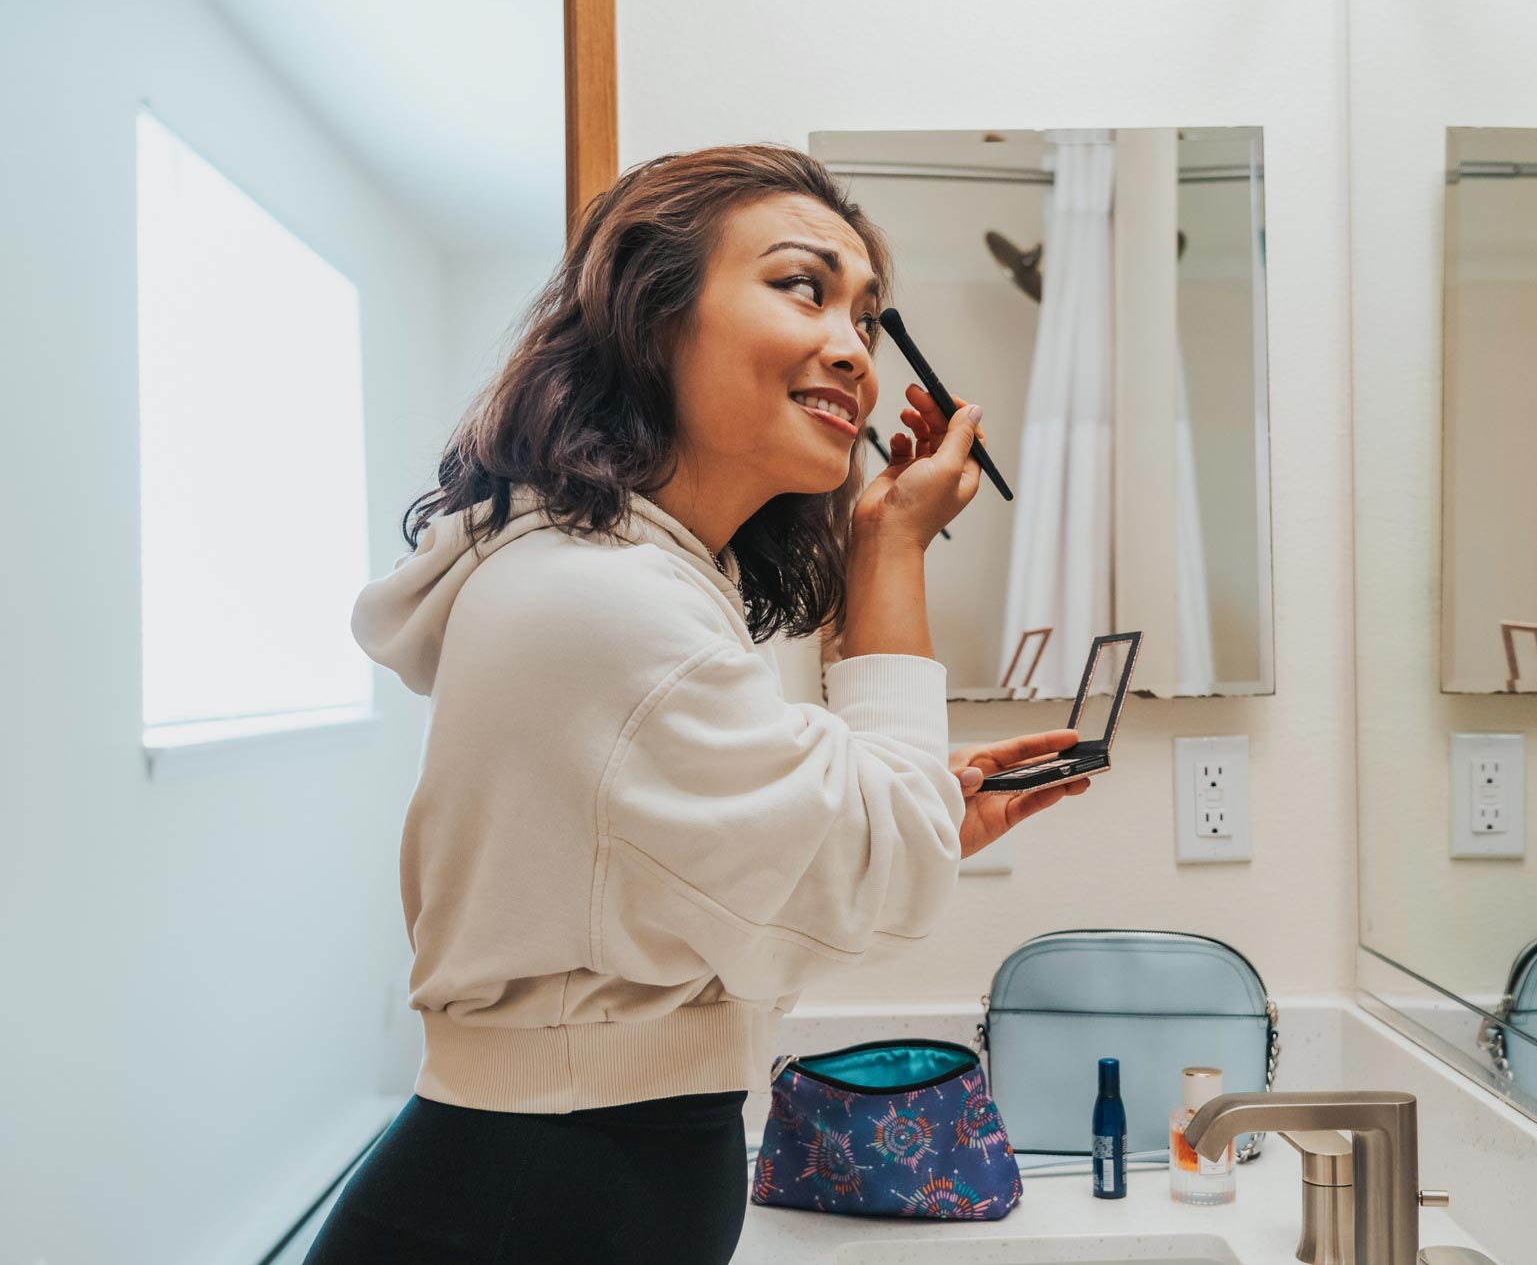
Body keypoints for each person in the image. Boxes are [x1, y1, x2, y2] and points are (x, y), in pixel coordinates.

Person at [306, 145, 1091, 1264]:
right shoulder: (602, 602)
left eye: (867, 314)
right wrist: (891, 545)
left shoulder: (631, 577)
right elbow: (884, 876)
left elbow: (747, 882)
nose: (851, 349)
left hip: (556, 1181)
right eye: (801, 286)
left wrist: (910, 813)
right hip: (537, 1198)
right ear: (652, 316)